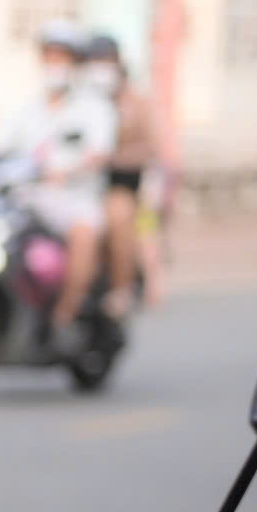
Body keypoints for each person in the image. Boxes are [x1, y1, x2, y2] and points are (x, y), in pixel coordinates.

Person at [0, 26, 117, 350]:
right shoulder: (25, 107)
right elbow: (0, 149)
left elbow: (100, 152)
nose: (56, 64)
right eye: (51, 56)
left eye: (63, 58)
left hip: (76, 199)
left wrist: (66, 170)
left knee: (84, 234)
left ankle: (63, 317)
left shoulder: (93, 107)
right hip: (28, 198)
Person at [82, 36, 154, 318]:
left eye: (105, 62)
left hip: (120, 185)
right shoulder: (80, 101)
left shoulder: (136, 103)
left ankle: (121, 289)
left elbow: (151, 148)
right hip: (78, 186)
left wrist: (109, 160)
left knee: (118, 215)